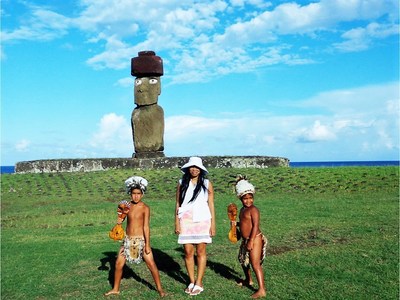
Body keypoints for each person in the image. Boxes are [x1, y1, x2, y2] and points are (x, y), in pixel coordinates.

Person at [105, 176, 166, 297]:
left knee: (151, 264)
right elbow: (120, 221)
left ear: (142, 194)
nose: (136, 196)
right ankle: (116, 288)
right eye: (133, 193)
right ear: (130, 194)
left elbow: (146, 227)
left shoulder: (145, 208)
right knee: (118, 264)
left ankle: (159, 288)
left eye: (138, 193)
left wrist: (147, 245)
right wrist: (119, 220)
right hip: (128, 240)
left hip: (141, 240)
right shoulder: (127, 206)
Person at [175, 157, 216, 296]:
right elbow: (178, 204)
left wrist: (213, 224)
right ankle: (191, 281)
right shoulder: (181, 183)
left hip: (203, 219)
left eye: (196, 167)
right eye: (191, 167)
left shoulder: (206, 183)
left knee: (201, 251)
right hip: (185, 219)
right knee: (187, 252)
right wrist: (177, 222)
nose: (194, 169)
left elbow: (211, 204)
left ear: (201, 169)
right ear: (188, 168)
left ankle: (199, 282)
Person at [232, 176, 267, 299]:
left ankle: (262, 289)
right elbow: (244, 223)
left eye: (250, 198)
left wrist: (251, 241)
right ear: (240, 198)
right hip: (246, 239)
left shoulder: (254, 210)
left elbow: (255, 226)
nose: (248, 201)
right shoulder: (242, 210)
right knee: (243, 261)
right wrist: (235, 224)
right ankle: (248, 280)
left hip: (255, 239)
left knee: (255, 263)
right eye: (245, 199)